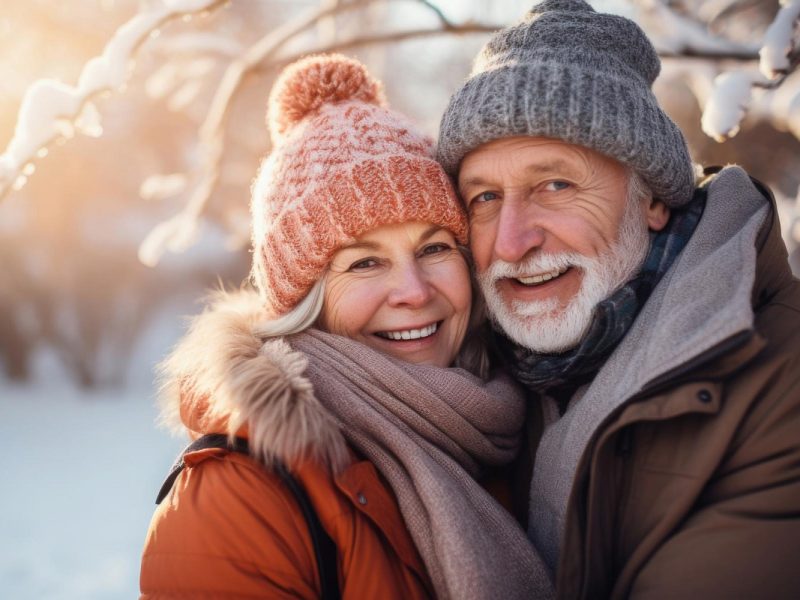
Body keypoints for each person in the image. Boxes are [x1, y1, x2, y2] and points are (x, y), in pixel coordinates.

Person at [140, 54, 553, 599]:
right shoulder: (240, 495)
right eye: (364, 262)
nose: (415, 291)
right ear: (304, 299)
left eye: (433, 248)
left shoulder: (529, 428)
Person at [436, 1, 800, 598]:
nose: (512, 241)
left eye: (555, 185)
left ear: (653, 199)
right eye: (484, 198)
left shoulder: (781, 378)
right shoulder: (473, 385)